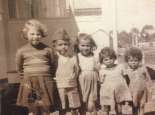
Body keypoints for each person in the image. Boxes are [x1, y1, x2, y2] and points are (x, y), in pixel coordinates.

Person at [15, 19, 55, 115]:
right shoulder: (21, 51)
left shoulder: (48, 50)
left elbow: (53, 64)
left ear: (42, 35)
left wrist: (48, 77)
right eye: (32, 34)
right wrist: (25, 79)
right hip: (29, 81)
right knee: (32, 109)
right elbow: (19, 67)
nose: (35, 37)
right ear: (26, 34)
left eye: (38, 34)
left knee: (45, 108)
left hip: (45, 81)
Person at [52, 28, 81, 115]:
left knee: (74, 106)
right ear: (55, 46)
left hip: (72, 84)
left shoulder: (73, 57)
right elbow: (52, 69)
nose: (63, 46)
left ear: (69, 45)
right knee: (62, 106)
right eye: (60, 44)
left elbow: (77, 70)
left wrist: (74, 77)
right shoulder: (55, 57)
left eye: (65, 44)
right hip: (60, 86)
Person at [99, 47, 132, 115]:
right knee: (107, 108)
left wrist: (125, 89)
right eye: (106, 59)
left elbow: (126, 77)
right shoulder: (102, 71)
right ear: (102, 61)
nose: (109, 61)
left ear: (114, 58)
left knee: (119, 107)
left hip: (119, 91)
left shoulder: (120, 67)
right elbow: (101, 82)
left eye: (111, 58)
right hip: (107, 92)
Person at [123, 47, 150, 115]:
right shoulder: (126, 71)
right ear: (127, 61)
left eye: (135, 61)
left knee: (142, 105)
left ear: (139, 60)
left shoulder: (143, 69)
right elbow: (124, 82)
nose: (133, 63)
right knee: (134, 106)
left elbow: (148, 79)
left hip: (142, 91)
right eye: (131, 61)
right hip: (132, 92)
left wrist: (150, 89)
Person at [77, 33, 98, 115]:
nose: (85, 48)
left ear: (91, 46)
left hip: (92, 82)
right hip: (81, 82)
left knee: (91, 103)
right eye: (82, 45)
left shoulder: (94, 57)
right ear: (78, 45)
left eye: (87, 46)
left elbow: (98, 69)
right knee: (82, 103)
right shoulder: (77, 56)